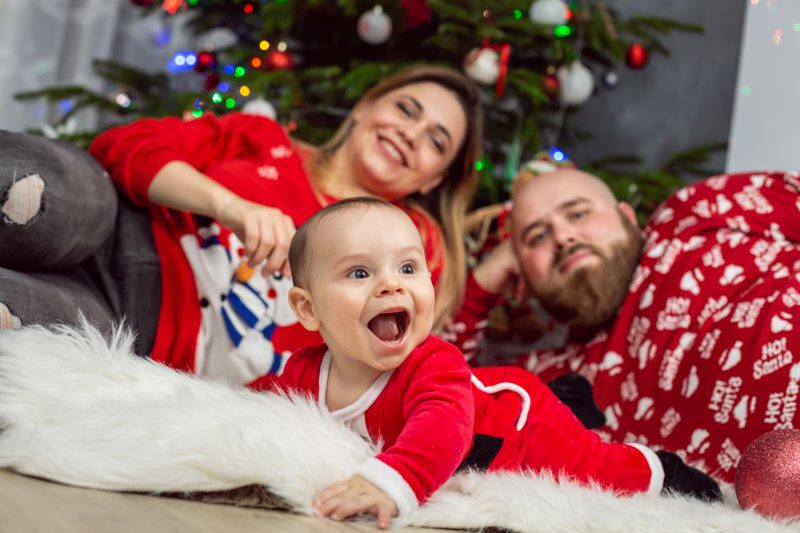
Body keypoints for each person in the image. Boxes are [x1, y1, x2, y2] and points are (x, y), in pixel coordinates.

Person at [250, 197, 720, 529]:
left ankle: (662, 468)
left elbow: (442, 427)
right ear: (308, 310)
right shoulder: (306, 372)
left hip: (516, 426)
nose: (392, 285)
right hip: (486, 400)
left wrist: (391, 483)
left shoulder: (432, 363)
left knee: (591, 465)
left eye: (409, 268)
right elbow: (255, 403)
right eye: (359, 272)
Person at [0, 65, 483, 386]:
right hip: (118, 219)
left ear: (435, 177)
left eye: (435, 141)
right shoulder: (261, 138)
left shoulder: (406, 266)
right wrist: (230, 206)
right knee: (35, 188)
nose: (409, 133)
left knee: (16, 317)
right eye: (405, 110)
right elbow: (127, 144)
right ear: (365, 107)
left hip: (130, 325)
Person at [448, 167, 800, 484]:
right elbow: (437, 390)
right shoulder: (556, 384)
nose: (563, 237)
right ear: (521, 279)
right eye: (536, 237)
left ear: (627, 217)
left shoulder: (696, 212)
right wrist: (481, 284)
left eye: (579, 213)